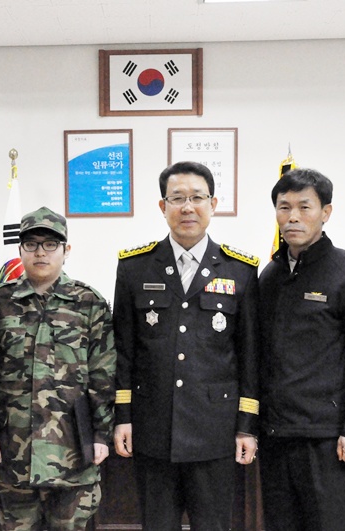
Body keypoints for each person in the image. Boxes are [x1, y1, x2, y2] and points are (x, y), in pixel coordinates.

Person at [112, 161, 259, 530]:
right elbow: (124, 350)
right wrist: (123, 417)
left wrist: (246, 426)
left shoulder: (240, 270)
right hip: (153, 428)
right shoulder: (135, 267)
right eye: (177, 198)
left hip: (215, 431)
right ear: (163, 207)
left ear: (213, 204)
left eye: (197, 198)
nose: (188, 207)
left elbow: (249, 356)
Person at [0, 206, 116, 531]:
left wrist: (102, 435)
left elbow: (103, 374)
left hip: (74, 454)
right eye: (31, 244)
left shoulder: (89, 303)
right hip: (13, 452)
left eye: (50, 244)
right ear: (20, 249)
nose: (40, 252)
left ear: (66, 250)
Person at [257, 168, 345, 530]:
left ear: (325, 212)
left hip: (329, 439)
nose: (293, 217)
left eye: (304, 207)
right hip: (276, 435)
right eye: (284, 207)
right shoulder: (270, 276)